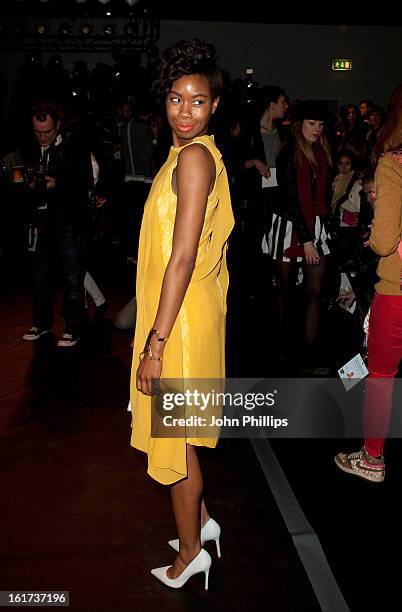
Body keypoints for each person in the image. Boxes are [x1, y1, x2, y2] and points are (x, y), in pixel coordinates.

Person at [129, 39, 234, 588]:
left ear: (215, 104)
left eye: (197, 101)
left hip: (180, 324)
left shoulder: (193, 158)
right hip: (187, 314)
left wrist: (155, 344)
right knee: (184, 435)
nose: (185, 111)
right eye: (175, 98)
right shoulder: (190, 154)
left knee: (175, 440)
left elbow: (185, 255)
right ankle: (206, 523)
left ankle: (190, 551)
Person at [335, 83, 402, 483]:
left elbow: (383, 239)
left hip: (398, 288)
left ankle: (371, 458)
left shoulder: (394, 163)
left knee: (380, 375)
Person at [267, 100, 333, 372]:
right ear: (299, 125)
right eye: (311, 124)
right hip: (289, 226)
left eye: (320, 125)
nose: (317, 130)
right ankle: (280, 348)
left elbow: (323, 195)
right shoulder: (288, 154)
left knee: (315, 291)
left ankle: (309, 354)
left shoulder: (323, 153)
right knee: (284, 288)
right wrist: (306, 239)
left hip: (314, 225)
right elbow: (291, 198)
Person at [22, 101, 91, 347]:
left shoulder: (74, 145)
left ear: (58, 125)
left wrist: (57, 183)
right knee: (40, 275)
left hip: (69, 219)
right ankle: (41, 323)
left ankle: (74, 327)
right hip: (42, 219)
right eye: (38, 132)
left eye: (47, 132)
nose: (42, 137)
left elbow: (84, 184)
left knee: (72, 276)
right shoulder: (29, 146)